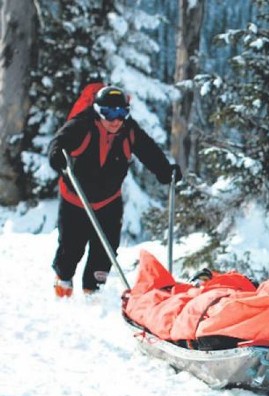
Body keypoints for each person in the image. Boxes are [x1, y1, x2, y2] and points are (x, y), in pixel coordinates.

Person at [48, 85, 181, 297]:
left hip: (108, 201)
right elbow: (59, 142)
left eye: (121, 113)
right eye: (108, 113)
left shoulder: (128, 130)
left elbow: (148, 150)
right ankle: (63, 283)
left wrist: (165, 170)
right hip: (76, 200)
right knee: (71, 248)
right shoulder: (82, 125)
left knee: (106, 249)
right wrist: (56, 155)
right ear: (98, 111)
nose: (115, 119)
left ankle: (93, 291)